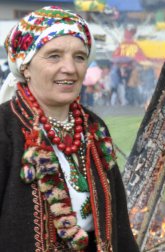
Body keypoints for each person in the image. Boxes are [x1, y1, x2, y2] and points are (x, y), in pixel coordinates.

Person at [0, 6, 140, 251]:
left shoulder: (93, 126)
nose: (70, 68)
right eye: (54, 56)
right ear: (25, 65)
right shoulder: (5, 127)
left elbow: (119, 221)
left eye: (79, 57)